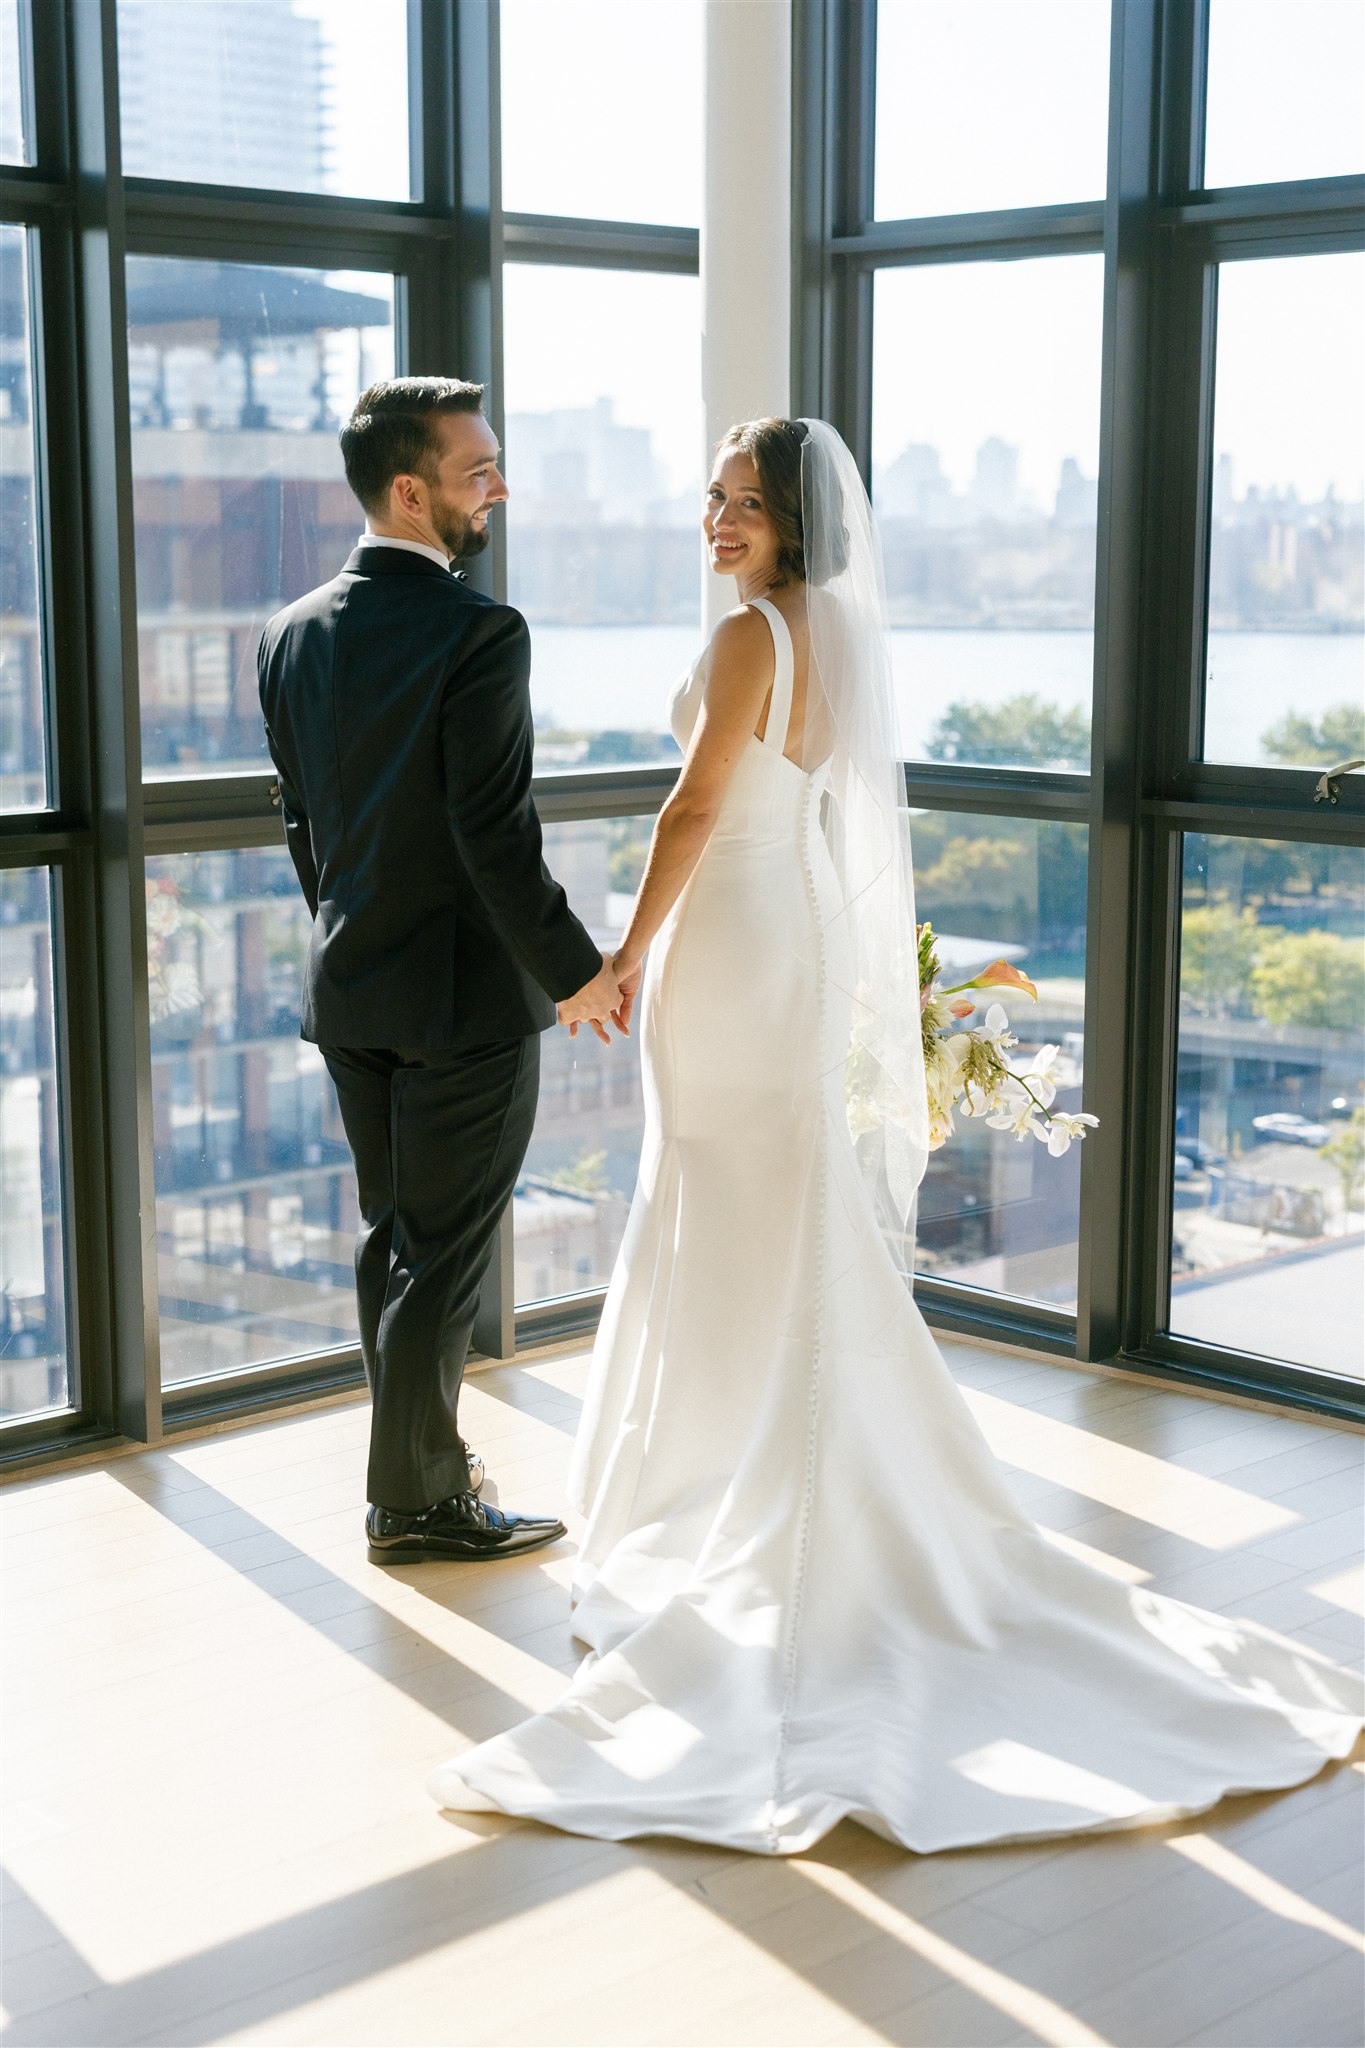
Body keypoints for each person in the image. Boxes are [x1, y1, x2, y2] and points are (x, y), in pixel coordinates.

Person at [426, 416, 1363, 1855]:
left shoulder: (750, 636)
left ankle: (726, 1478)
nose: (719, 522)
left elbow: (694, 806)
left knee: (717, 1191)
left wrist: (619, 956)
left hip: (728, 937)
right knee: (768, 1194)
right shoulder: (843, 634)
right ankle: (757, 1459)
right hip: (788, 930)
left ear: (798, 522)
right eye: (712, 499)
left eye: (746, 505)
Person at [257, 377, 630, 1568]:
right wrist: (576, 973)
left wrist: (351, 927)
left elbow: (303, 821)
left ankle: (422, 1474)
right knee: (444, 1253)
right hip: (464, 1002)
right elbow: (492, 834)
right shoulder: (480, 631)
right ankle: (415, 1501)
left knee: (396, 1239)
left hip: (352, 987)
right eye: (479, 471)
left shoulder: (289, 631)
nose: (500, 489)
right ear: (411, 491)